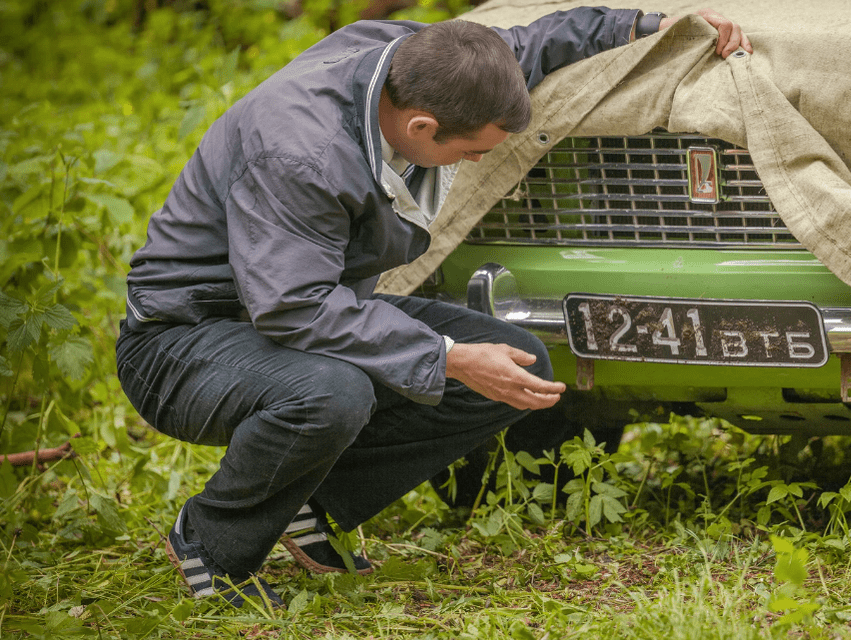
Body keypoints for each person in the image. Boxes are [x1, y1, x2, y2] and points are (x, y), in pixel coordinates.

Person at [115, 5, 752, 607]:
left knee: (517, 360)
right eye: (474, 151)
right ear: (422, 127)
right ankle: (212, 540)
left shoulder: (427, 67)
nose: (479, 160)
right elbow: (293, 309)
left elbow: (532, 42)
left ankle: (311, 506)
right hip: (186, 340)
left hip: (298, 309)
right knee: (334, 393)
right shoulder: (300, 152)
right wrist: (445, 355)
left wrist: (654, 25)